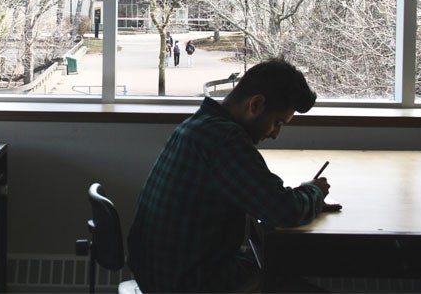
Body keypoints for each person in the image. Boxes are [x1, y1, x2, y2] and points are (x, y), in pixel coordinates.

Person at [127, 58, 331, 293]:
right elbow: (283, 211)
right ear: (255, 104)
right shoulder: (225, 140)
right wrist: (314, 191)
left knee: (271, 262)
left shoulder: (200, 124)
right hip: (188, 282)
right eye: (277, 122)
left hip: (158, 272)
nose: (275, 134)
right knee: (286, 266)